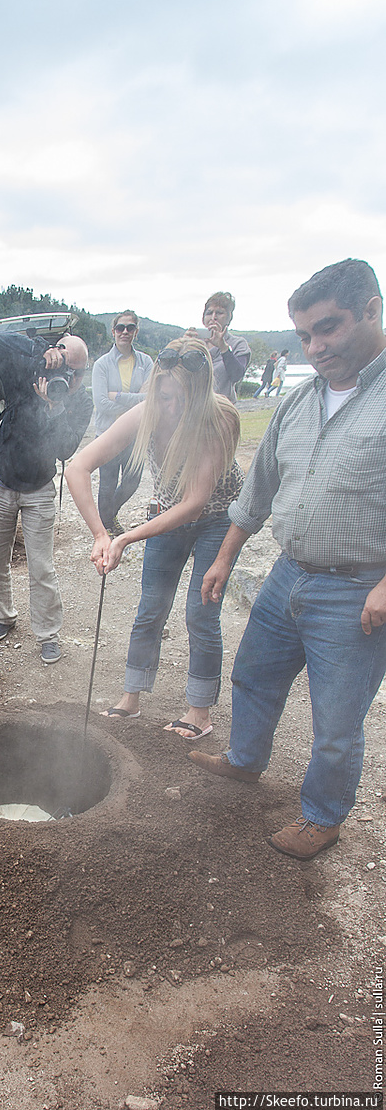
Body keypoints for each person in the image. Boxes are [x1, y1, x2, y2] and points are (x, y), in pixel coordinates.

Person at [194, 258, 386, 861]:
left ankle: (323, 817)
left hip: (358, 587)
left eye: (328, 328)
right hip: (288, 573)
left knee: (335, 719)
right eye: (305, 336)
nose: (316, 346)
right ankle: (245, 759)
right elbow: (260, 486)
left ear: (372, 311)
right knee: (254, 674)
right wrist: (224, 558)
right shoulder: (301, 401)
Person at [66, 337, 243, 739]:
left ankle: (199, 710)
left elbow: (196, 503)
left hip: (216, 517)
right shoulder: (145, 413)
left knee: (201, 611)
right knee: (151, 606)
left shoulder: (219, 419)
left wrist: (124, 538)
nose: (172, 408)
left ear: (199, 393)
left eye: (182, 399)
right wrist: (100, 533)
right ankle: (131, 698)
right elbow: (78, 467)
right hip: (166, 514)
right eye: (165, 397)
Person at [0, 328, 93, 664]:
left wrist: (54, 407)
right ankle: (4, 615)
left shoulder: (81, 400)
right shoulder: (27, 371)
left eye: (73, 371)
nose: (66, 376)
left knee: (42, 567)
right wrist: (39, 352)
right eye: (63, 364)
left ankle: (47, 634)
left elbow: (66, 449)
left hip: (40, 490)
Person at [90, 311, 153, 535]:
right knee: (107, 483)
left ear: (136, 331)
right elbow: (102, 403)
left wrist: (117, 395)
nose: (125, 332)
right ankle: (106, 526)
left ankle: (106, 516)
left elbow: (151, 398)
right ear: (113, 332)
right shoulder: (102, 365)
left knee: (132, 481)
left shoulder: (146, 362)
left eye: (130, 327)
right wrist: (135, 402)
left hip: (135, 434)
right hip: (108, 433)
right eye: (120, 328)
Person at [200, 291, 251, 402]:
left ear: (229, 317)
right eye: (209, 313)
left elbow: (237, 375)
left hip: (222, 409)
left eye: (219, 313)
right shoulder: (195, 343)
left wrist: (224, 348)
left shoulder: (238, 344)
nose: (213, 317)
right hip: (193, 409)